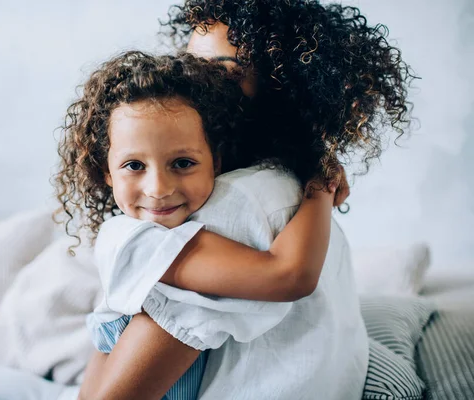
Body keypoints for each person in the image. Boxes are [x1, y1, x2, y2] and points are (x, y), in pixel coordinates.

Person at [0, 51, 346, 400]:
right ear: (105, 172)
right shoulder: (136, 239)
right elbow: (288, 276)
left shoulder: (187, 226)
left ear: (215, 162)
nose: (159, 188)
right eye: (134, 166)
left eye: (182, 162)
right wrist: (319, 184)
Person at [77, 1, 414, 399]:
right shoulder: (289, 182)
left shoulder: (231, 205)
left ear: (283, 90)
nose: (193, 83)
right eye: (190, 64)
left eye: (221, 72)